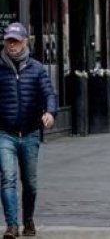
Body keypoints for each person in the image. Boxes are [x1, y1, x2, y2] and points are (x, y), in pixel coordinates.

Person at [0, 23, 57, 239]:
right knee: (8, 178)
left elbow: (49, 94)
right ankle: (12, 226)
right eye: (8, 41)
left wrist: (50, 112)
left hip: (31, 132)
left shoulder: (36, 68)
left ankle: (28, 220)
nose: (12, 45)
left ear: (25, 42)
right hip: (5, 132)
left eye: (15, 41)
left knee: (30, 183)